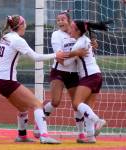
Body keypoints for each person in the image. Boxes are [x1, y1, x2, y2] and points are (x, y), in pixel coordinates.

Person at [0, 15, 68, 144]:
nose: (26, 26)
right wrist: (56, 55)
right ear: (20, 25)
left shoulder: (5, 37)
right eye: (25, 24)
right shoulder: (17, 40)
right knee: (37, 105)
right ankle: (44, 136)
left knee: (23, 108)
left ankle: (22, 136)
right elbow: (35, 57)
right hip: (7, 81)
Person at [33, 10, 98, 140]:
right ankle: (39, 123)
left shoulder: (78, 35)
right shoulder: (56, 35)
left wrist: (93, 46)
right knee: (56, 101)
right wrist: (76, 53)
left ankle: (81, 133)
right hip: (59, 72)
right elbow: (60, 58)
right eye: (58, 20)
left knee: (77, 104)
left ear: (69, 21)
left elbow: (87, 47)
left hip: (74, 74)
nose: (60, 22)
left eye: (62, 19)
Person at [62, 20, 108, 143]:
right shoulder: (85, 40)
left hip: (89, 76)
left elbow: (66, 62)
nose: (69, 29)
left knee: (77, 104)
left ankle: (97, 120)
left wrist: (61, 56)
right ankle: (90, 136)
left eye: (71, 27)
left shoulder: (79, 43)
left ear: (77, 31)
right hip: (97, 75)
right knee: (87, 107)